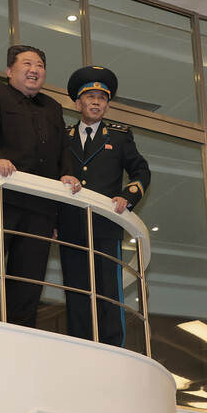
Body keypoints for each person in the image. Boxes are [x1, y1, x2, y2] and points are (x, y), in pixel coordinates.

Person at [0, 45, 81, 329]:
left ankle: (20, 332)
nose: (35, 69)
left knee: (29, 276)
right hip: (0, 197)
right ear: (9, 71)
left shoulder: (52, 106)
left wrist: (68, 174)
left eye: (40, 65)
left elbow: (63, 148)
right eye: (27, 63)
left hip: (40, 205)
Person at [58, 65, 151, 347]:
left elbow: (141, 171)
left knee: (108, 291)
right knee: (76, 291)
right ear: (78, 103)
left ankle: (113, 347)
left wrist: (128, 196)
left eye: (102, 98)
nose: (96, 102)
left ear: (108, 107)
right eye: (90, 97)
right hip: (70, 225)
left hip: (106, 226)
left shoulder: (120, 136)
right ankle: (81, 347)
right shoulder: (63, 136)